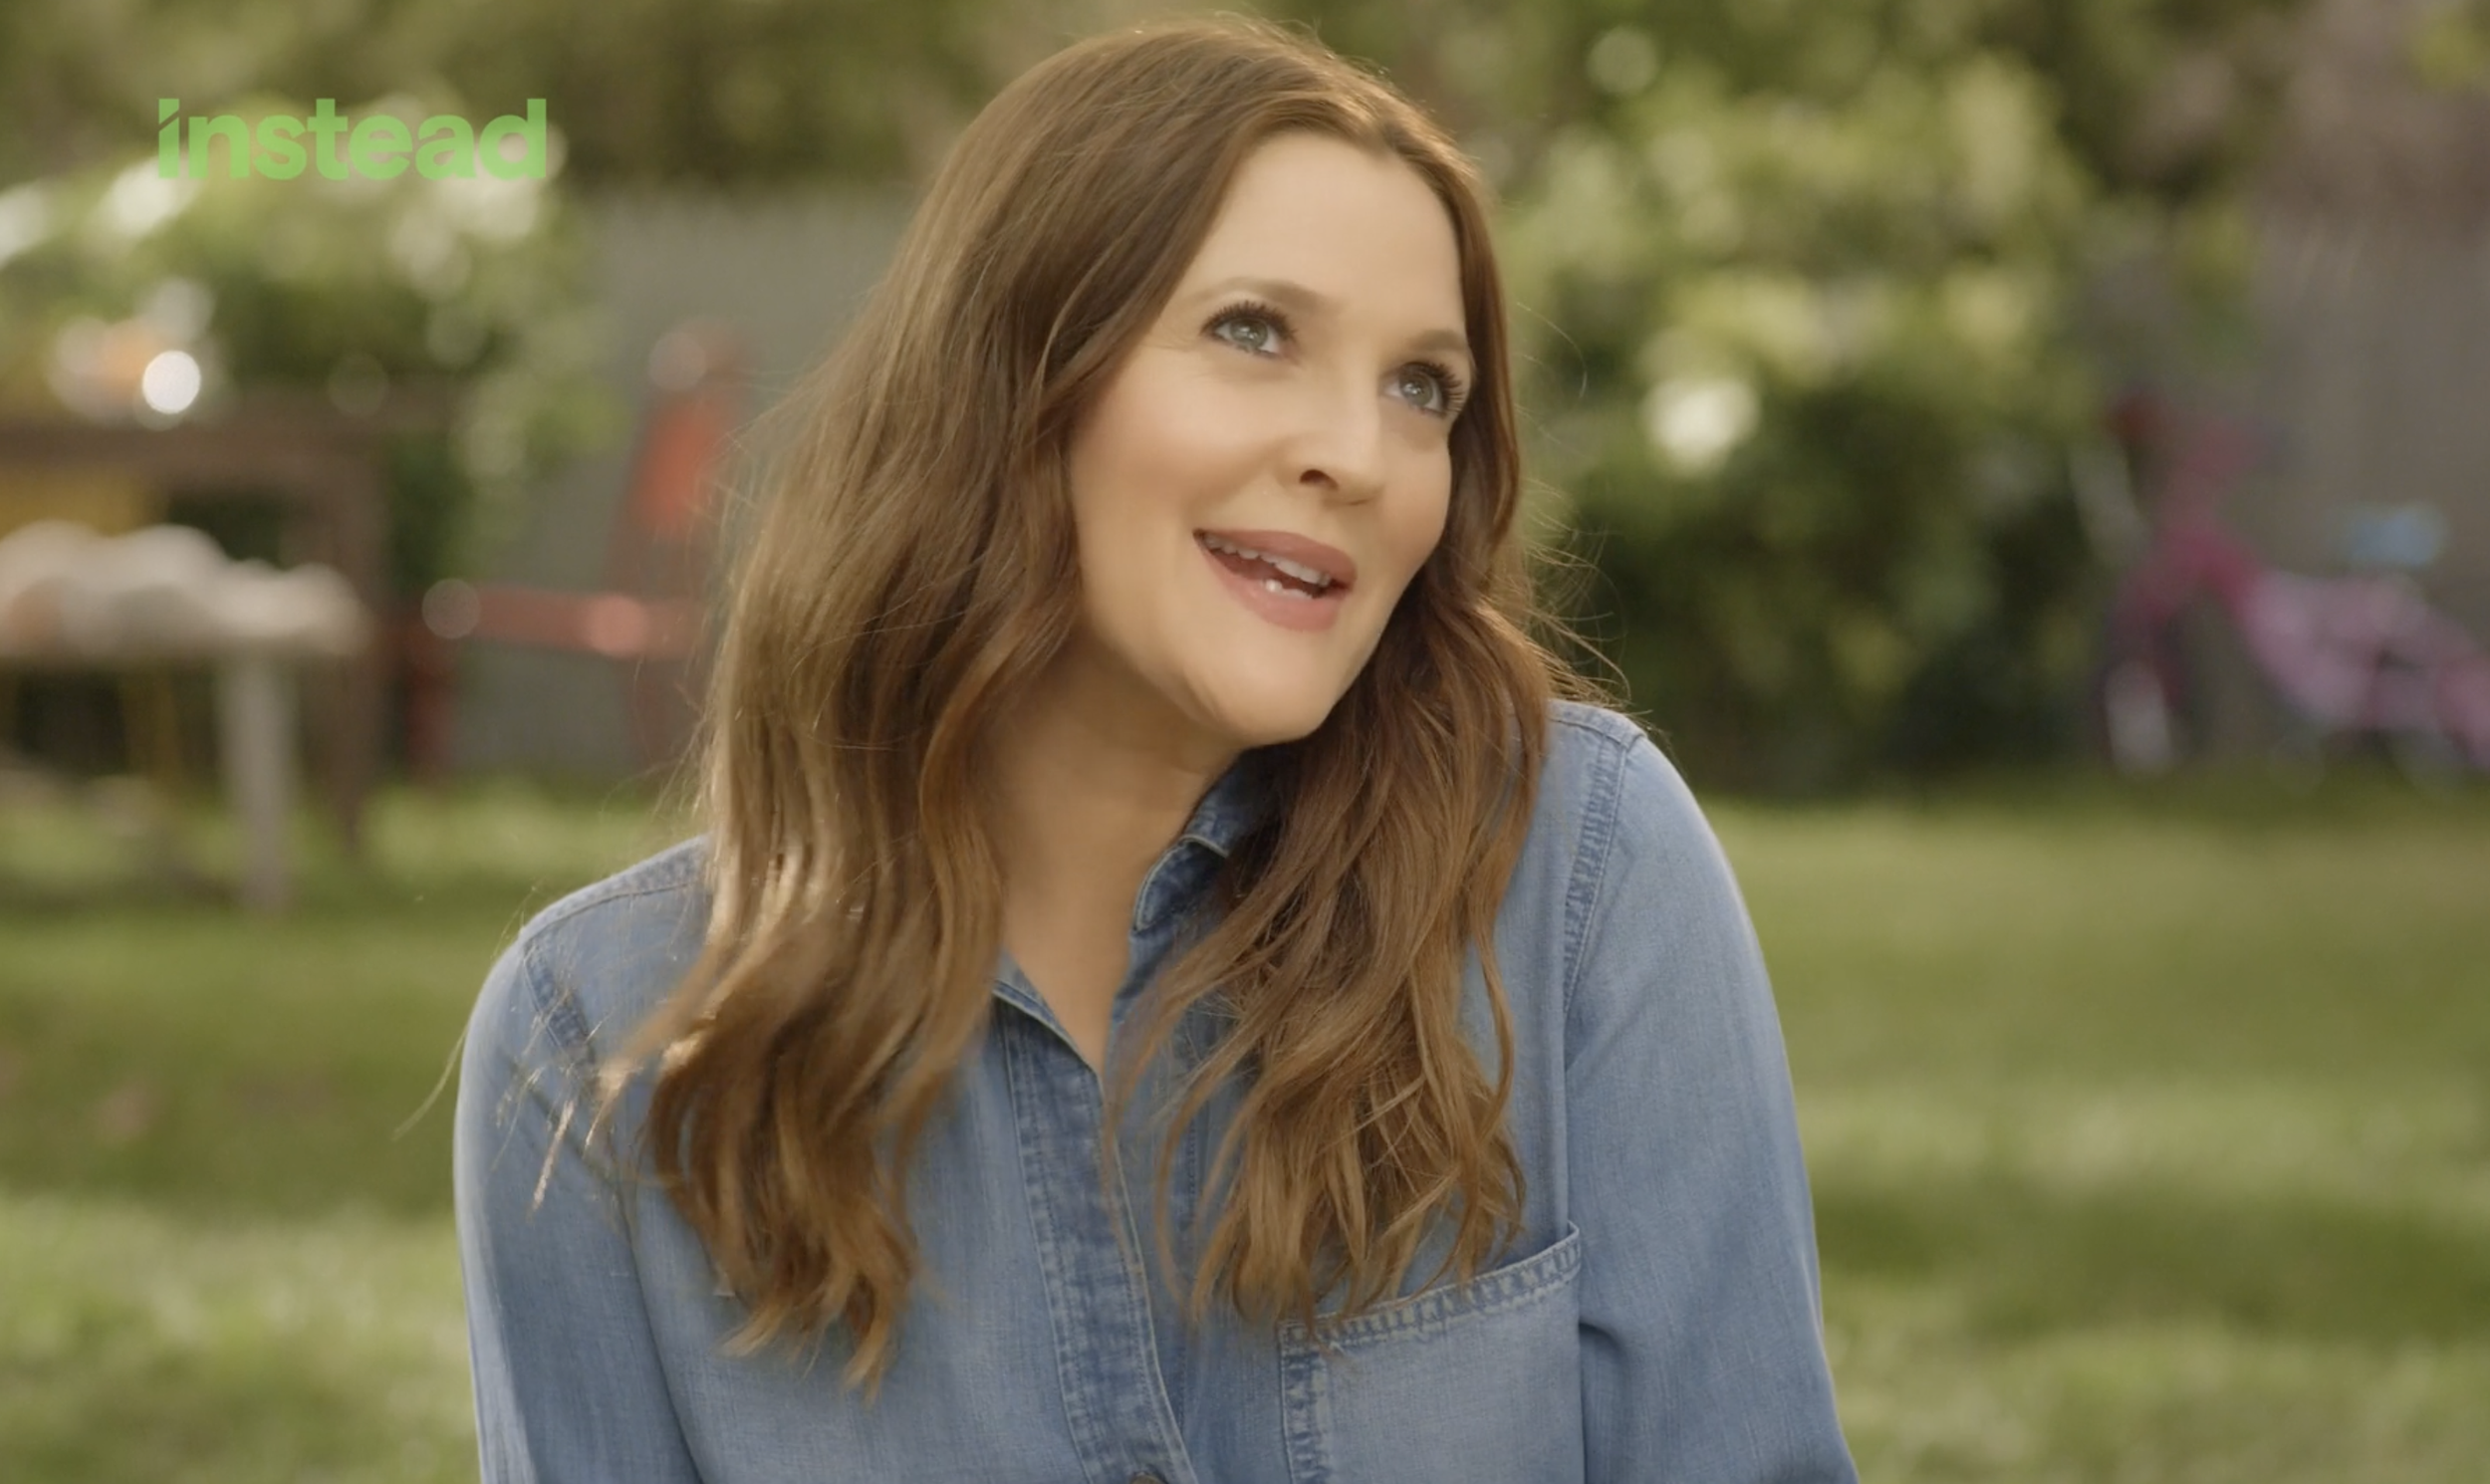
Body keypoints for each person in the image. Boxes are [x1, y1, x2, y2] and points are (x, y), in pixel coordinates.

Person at [453, 17, 1857, 1483]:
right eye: (1254, 332)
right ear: (1012, 375)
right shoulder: (595, 1044)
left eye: (1421, 387)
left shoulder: (1579, 871)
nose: (1358, 455)